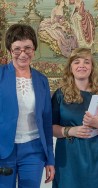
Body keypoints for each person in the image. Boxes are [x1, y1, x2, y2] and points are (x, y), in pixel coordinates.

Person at [51, 48, 98, 188]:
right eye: (77, 62)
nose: (82, 65)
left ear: (92, 68)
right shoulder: (60, 95)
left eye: (87, 62)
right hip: (68, 155)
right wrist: (70, 131)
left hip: (95, 154)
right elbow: (50, 128)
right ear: (70, 68)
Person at [0, 24, 55, 188]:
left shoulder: (42, 80)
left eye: (27, 48)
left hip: (34, 151)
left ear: (34, 49)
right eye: (17, 49)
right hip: (3, 150)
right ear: (10, 50)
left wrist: (50, 159)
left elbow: (46, 122)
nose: (22, 54)